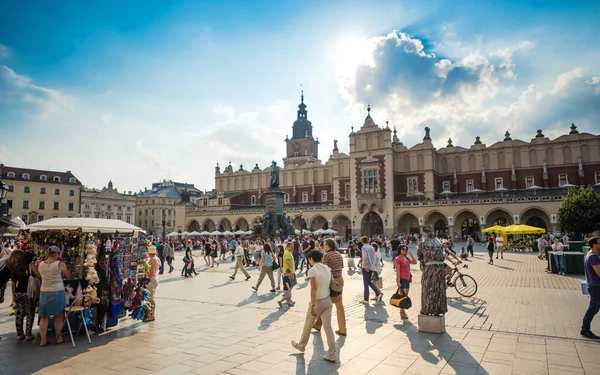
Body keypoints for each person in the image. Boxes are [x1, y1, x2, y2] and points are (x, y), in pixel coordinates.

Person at [291, 250, 337, 362]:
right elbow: (332, 282)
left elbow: (313, 288)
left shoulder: (312, 270)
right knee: (328, 327)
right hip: (328, 300)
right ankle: (332, 354)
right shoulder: (327, 268)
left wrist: (312, 304)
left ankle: (301, 345)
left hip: (318, 301)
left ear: (311, 259)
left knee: (308, 324)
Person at [33, 245, 71, 346]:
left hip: (44, 291)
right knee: (58, 316)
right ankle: (59, 338)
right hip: (57, 291)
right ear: (56, 254)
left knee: (44, 316)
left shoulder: (40, 264)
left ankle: (43, 340)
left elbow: (40, 275)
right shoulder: (60, 264)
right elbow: (68, 275)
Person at [313, 238, 346, 336]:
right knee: (339, 305)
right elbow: (341, 267)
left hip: (331, 281)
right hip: (340, 280)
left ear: (328, 246)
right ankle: (342, 329)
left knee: (324, 303)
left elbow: (324, 270)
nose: (323, 247)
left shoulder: (327, 256)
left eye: (324, 245)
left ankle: (318, 325)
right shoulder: (339, 254)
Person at [9, 249, 36, 341]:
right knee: (30, 313)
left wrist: (13, 295)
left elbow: (13, 284)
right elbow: (39, 277)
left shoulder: (16, 268)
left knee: (19, 313)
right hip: (28, 293)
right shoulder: (30, 267)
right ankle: (28, 334)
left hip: (18, 293)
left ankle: (19, 333)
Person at [581, 237, 600, 339]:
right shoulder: (593, 257)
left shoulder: (590, 254)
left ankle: (585, 328)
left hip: (594, 285)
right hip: (596, 286)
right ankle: (585, 329)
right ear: (594, 245)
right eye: (599, 243)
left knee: (594, 308)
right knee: (593, 309)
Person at [395, 245, 418, 319]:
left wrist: (411, 255)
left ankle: (402, 310)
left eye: (406, 249)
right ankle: (402, 312)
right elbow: (398, 271)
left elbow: (415, 262)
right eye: (403, 249)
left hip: (407, 278)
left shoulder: (406, 258)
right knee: (403, 296)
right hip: (402, 278)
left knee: (406, 295)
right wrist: (398, 282)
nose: (405, 250)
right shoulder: (398, 259)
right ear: (400, 250)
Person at [359, 237, 382, 304]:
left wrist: (366, 265)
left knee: (366, 283)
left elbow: (365, 257)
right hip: (372, 267)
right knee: (369, 282)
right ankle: (378, 294)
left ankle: (366, 299)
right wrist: (372, 265)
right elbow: (374, 257)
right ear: (368, 240)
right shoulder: (371, 247)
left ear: (362, 241)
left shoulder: (364, 247)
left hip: (366, 267)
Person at [145, 245, 161, 322]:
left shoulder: (152, 260)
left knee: (150, 298)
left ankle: (151, 315)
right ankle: (151, 314)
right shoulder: (157, 258)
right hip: (155, 278)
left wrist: (145, 272)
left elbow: (151, 272)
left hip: (151, 279)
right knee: (151, 297)